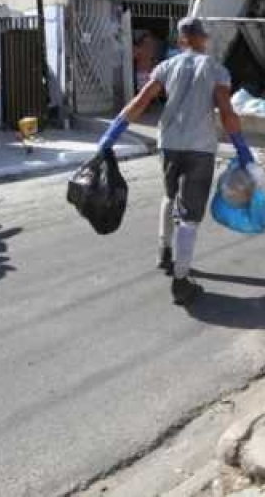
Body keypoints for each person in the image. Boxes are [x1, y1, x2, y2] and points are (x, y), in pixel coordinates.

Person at [97, 17, 252, 306]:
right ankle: (181, 282)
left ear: (181, 40)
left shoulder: (166, 67)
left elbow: (141, 101)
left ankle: (164, 251)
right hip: (200, 149)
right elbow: (227, 112)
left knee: (169, 196)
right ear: (204, 39)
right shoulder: (216, 70)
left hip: (169, 144)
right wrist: (242, 148)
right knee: (190, 216)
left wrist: (111, 134)